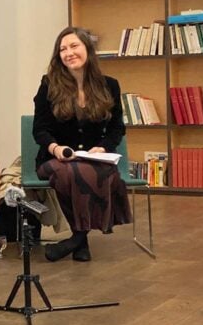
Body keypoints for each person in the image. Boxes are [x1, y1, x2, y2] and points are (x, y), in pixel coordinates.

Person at [32, 27, 132, 262]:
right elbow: (40, 129)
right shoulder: (48, 85)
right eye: (62, 49)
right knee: (69, 172)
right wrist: (56, 148)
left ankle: (78, 239)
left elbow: (118, 128)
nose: (68, 53)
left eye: (74, 46)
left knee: (83, 171)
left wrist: (104, 148)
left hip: (94, 158)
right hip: (54, 158)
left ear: (87, 48)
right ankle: (80, 238)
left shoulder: (110, 85)